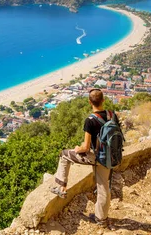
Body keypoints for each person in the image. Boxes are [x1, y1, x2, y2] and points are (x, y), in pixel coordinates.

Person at [50, 88, 119, 228]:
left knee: (64, 154)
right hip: (110, 157)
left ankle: (61, 187)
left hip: (96, 157)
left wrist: (77, 149)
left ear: (89, 102)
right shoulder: (112, 114)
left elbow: (86, 148)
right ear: (103, 100)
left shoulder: (90, 120)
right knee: (104, 188)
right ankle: (101, 219)